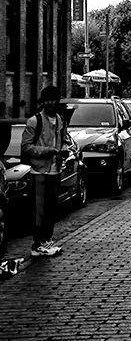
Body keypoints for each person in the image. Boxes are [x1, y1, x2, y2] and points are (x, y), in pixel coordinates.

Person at [20, 85, 72, 257]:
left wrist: (63, 149)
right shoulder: (35, 121)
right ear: (43, 102)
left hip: (55, 170)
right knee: (40, 209)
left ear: (57, 100)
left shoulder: (61, 120)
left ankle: (46, 241)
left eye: (53, 99)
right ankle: (37, 244)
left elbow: (64, 140)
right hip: (39, 171)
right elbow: (26, 147)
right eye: (47, 100)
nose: (50, 103)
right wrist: (47, 150)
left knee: (51, 209)